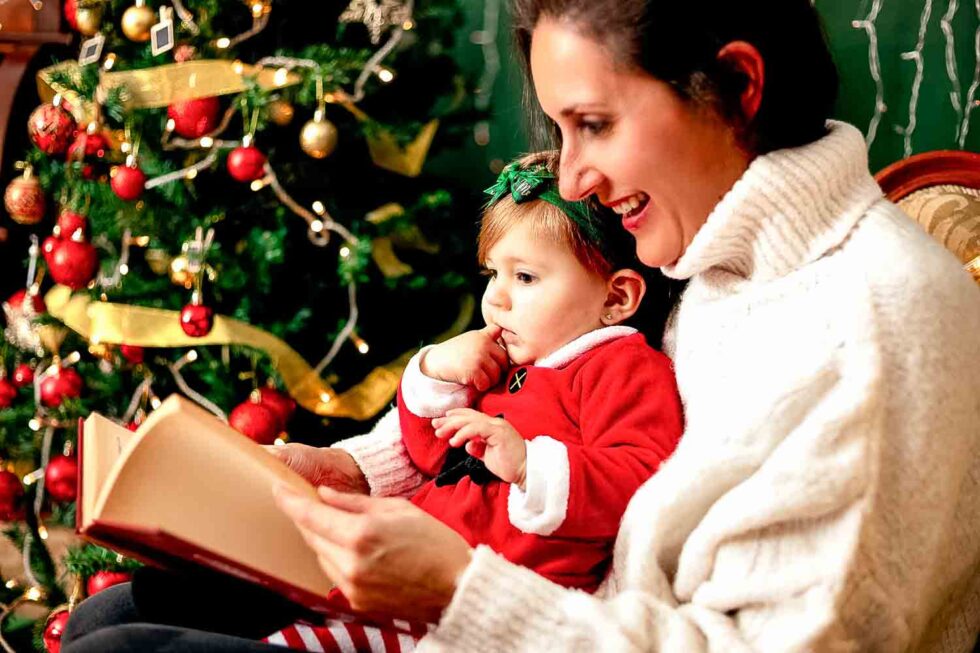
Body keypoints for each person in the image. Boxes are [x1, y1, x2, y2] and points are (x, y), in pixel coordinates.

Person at [63, 0, 980, 650]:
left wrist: (458, 589)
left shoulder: (870, 326)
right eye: (560, 130)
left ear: (736, 86)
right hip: (513, 605)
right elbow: (540, 400)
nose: (572, 179)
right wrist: (352, 469)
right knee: (121, 611)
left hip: (511, 618)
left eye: (594, 124)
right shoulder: (703, 255)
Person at [263, 153, 683, 650]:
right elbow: (427, 455)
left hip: (466, 612)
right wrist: (435, 371)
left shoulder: (623, 368)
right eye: (492, 274)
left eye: (524, 278)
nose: (496, 299)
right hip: (395, 579)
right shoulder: (507, 358)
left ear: (615, 299)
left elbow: (641, 479)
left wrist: (529, 465)